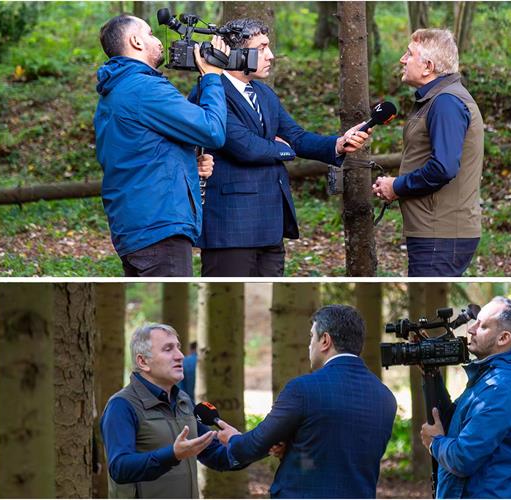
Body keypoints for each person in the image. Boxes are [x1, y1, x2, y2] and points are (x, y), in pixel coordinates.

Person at [189, 18, 369, 277]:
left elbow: (295, 136)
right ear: (238, 52)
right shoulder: (210, 92)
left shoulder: (263, 93)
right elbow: (245, 147)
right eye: (262, 48)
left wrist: (338, 144)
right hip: (231, 228)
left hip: (271, 225)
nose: (271, 56)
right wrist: (284, 151)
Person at [94, 14, 230, 277]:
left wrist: (188, 166)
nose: (158, 41)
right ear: (136, 41)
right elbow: (213, 132)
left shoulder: (116, 89)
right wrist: (212, 76)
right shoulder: (145, 89)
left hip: (136, 225)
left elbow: (138, 154)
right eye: (151, 34)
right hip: (159, 226)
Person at [215, 305, 397, 498]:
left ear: (325, 340)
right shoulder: (386, 398)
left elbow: (256, 444)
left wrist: (233, 439)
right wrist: (295, 448)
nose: (309, 345)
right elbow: (340, 458)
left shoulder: (303, 389)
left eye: (311, 337)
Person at [372, 29, 485, 277]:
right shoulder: (437, 99)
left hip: (440, 234)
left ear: (428, 67)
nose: (402, 59)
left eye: (409, 54)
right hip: (435, 231)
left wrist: (398, 186)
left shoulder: (446, 102)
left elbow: (443, 168)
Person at [420, 297, 511, 498]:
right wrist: (431, 372)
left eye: (482, 326)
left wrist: (435, 442)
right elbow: (453, 422)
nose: (471, 330)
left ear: (503, 338)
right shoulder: (490, 376)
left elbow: (463, 458)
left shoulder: (501, 387)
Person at [101, 324, 239, 497]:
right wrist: (173, 455)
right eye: (168, 349)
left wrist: (251, 445)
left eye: (178, 348)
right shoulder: (121, 406)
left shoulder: (184, 401)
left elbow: (213, 454)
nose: (180, 356)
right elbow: (119, 468)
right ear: (143, 362)